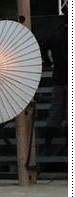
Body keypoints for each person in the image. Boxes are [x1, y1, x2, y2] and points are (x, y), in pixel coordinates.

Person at [40, 14, 67, 153]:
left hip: (58, 77)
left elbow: (42, 46)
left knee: (55, 113)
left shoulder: (57, 34)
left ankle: (47, 144)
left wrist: (50, 63)